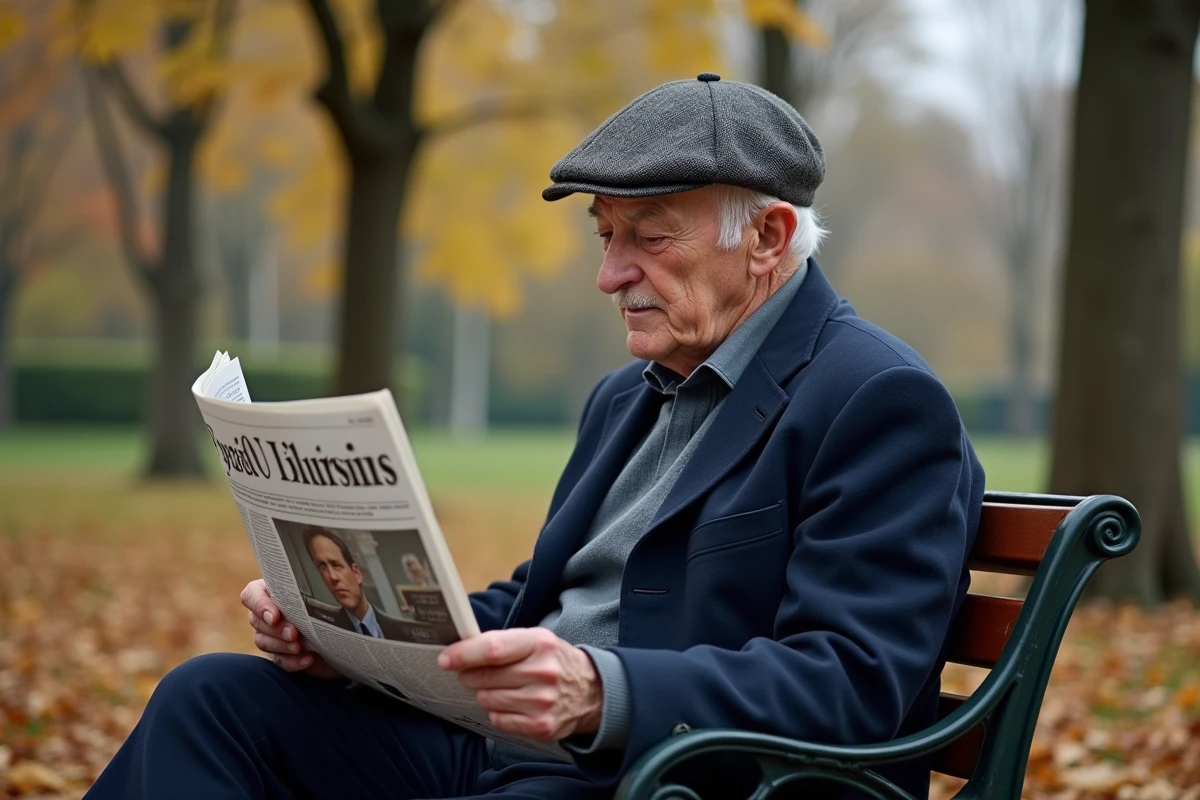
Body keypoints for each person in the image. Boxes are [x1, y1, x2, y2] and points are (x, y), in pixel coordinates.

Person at [85, 74, 985, 800]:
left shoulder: (876, 399)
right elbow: (539, 601)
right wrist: (354, 633)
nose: (609, 274)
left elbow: (852, 681)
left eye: (648, 238)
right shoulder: (626, 397)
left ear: (768, 236)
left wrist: (604, 690)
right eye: (605, 236)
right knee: (211, 701)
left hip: (665, 776)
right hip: (510, 752)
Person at [302, 527, 413, 641]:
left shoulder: (399, 633)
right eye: (323, 567)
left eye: (336, 565)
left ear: (356, 573)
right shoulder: (326, 634)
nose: (332, 577)